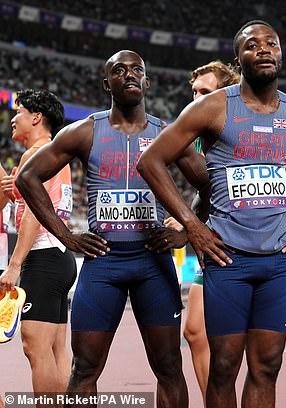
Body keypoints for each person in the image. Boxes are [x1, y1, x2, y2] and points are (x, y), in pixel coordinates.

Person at [136, 20, 286, 408]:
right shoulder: (213, 107)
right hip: (228, 261)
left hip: (276, 263)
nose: (263, 49)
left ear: (281, 53)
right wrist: (193, 226)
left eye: (271, 43)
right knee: (223, 367)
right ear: (239, 59)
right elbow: (151, 160)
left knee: (267, 367)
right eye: (252, 44)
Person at [15, 50, 202, 407]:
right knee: (84, 369)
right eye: (119, 70)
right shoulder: (86, 131)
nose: (129, 74)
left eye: (137, 69)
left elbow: (210, 185)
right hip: (103, 262)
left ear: (147, 81)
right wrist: (66, 236)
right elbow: (27, 177)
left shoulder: (166, 133)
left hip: (152, 261)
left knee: (169, 367)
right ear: (106, 83)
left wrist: (187, 231)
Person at [163, 60, 240, 400]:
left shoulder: (234, 129)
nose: (196, 98)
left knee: (241, 344)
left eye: (204, 92)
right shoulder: (197, 136)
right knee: (195, 332)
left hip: (241, 242)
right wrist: (189, 221)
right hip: (212, 244)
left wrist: (187, 221)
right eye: (193, 92)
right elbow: (205, 191)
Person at [0, 89, 75, 401]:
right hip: (60, 256)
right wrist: (14, 191)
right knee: (57, 349)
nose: (13, 119)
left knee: (35, 346)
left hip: (42, 255)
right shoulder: (55, 152)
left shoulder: (35, 154)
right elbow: (43, 202)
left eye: (19, 112)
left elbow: (34, 212)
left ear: (36, 117)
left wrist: (14, 265)